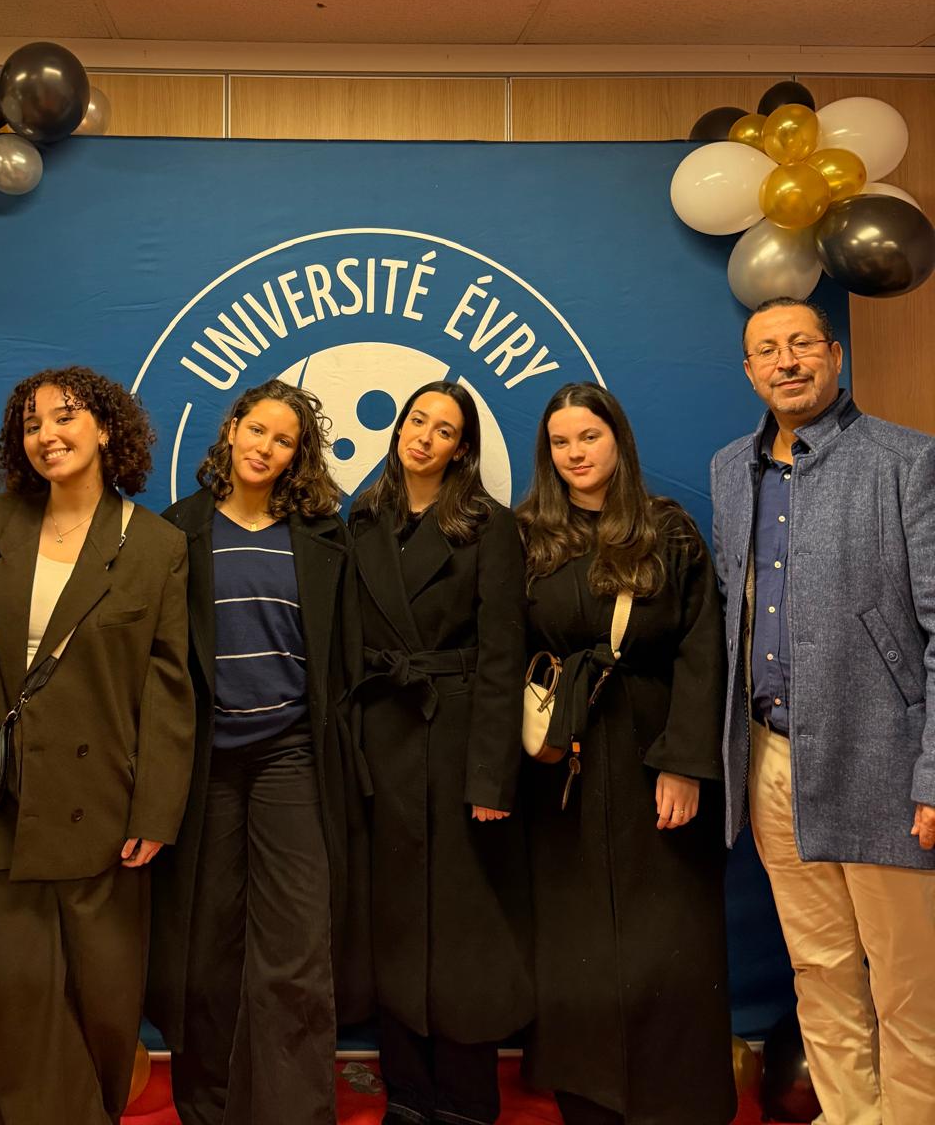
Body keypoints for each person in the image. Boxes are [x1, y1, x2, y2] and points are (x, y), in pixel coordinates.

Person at [0, 366, 194, 1125]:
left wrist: (155, 810)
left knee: (105, 1005)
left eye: (65, 417)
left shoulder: (156, 544)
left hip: (105, 811)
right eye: (31, 424)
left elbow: (169, 688)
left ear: (107, 429)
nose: (47, 435)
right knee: (17, 1004)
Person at [712, 296, 935, 1125]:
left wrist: (933, 774)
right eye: (768, 349)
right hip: (773, 762)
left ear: (834, 355)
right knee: (821, 972)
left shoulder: (906, 461)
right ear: (749, 371)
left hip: (884, 765)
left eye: (802, 343)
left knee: (909, 986)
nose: (787, 361)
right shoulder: (730, 469)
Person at [518, 382, 734, 1125]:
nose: (576, 453)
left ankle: (679, 1104)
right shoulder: (527, 537)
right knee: (574, 943)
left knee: (671, 939)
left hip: (655, 753)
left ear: (619, 440)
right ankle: (589, 1103)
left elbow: (703, 648)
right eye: (561, 442)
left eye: (590, 436)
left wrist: (685, 763)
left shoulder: (667, 531)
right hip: (563, 771)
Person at [146, 378, 352, 1125]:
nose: (266, 447)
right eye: (257, 430)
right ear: (232, 429)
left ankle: (293, 1112)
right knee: (205, 942)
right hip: (205, 764)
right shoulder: (178, 529)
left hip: (290, 755)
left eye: (284, 440)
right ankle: (209, 1106)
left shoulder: (324, 536)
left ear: (299, 456)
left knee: (296, 945)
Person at [349, 380, 532, 1125]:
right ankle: (408, 1092)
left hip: (457, 739)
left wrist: (490, 776)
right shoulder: (362, 518)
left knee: (463, 926)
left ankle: (464, 1098)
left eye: (444, 429)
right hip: (382, 737)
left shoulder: (489, 526)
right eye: (416, 421)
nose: (424, 436)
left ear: (462, 449)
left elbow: (503, 657)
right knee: (392, 920)